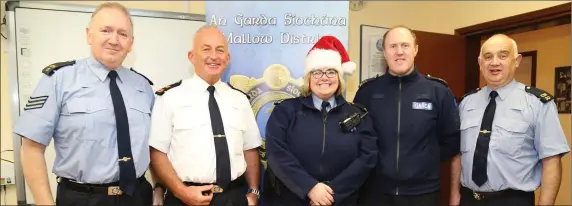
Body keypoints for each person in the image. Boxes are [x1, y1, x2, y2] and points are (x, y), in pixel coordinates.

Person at [13, 2, 156, 206]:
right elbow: (31, 149)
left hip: (138, 196)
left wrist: (158, 187)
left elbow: (153, 147)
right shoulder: (58, 80)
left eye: (123, 34)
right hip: (82, 198)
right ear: (89, 35)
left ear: (131, 43)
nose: (114, 40)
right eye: (106, 30)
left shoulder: (143, 87)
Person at [148, 25, 263, 206]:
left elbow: (250, 149)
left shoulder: (239, 99)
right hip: (185, 197)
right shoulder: (169, 98)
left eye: (220, 50)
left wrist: (254, 192)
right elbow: (157, 153)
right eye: (206, 49)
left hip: (234, 197)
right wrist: (181, 192)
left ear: (227, 58)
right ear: (191, 56)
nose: (214, 56)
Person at [451, 34, 570, 206]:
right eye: (488, 57)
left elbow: (551, 161)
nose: (494, 62)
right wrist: (455, 195)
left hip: (513, 200)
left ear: (517, 60)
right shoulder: (466, 103)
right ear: (480, 62)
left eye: (503, 55)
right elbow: (458, 155)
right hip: (469, 199)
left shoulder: (537, 104)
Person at [264, 36, 378, 205]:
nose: (324, 77)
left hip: (341, 200)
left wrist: (331, 194)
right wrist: (310, 188)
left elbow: (367, 157)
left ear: (339, 78)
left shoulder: (358, 114)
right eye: (317, 72)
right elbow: (276, 153)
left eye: (331, 72)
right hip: (292, 199)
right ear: (308, 79)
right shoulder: (285, 111)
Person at [354, 25, 461, 206]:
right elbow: (355, 141)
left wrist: (424, 161)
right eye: (393, 46)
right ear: (385, 52)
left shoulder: (438, 91)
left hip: (423, 193)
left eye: (405, 45)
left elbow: (451, 143)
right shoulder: (367, 92)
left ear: (415, 50)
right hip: (375, 192)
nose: (399, 52)